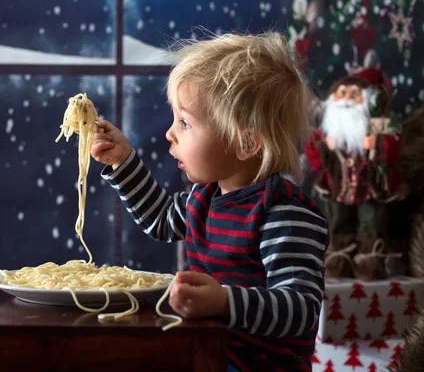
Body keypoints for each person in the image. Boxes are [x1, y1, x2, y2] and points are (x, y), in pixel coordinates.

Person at [91, 32, 329, 371]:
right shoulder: (204, 197)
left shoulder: (284, 214)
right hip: (208, 355)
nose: (169, 134)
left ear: (246, 144)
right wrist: (122, 160)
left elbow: (300, 309)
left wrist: (224, 301)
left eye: (186, 123)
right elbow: (160, 218)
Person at [303, 68, 404, 281]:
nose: (347, 99)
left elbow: (392, 152)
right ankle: (340, 258)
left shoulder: (377, 125)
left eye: (354, 94)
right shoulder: (331, 129)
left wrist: (376, 143)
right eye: (342, 93)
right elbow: (312, 153)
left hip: (370, 187)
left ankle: (371, 259)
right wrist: (323, 147)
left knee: (372, 220)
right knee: (338, 221)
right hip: (339, 186)